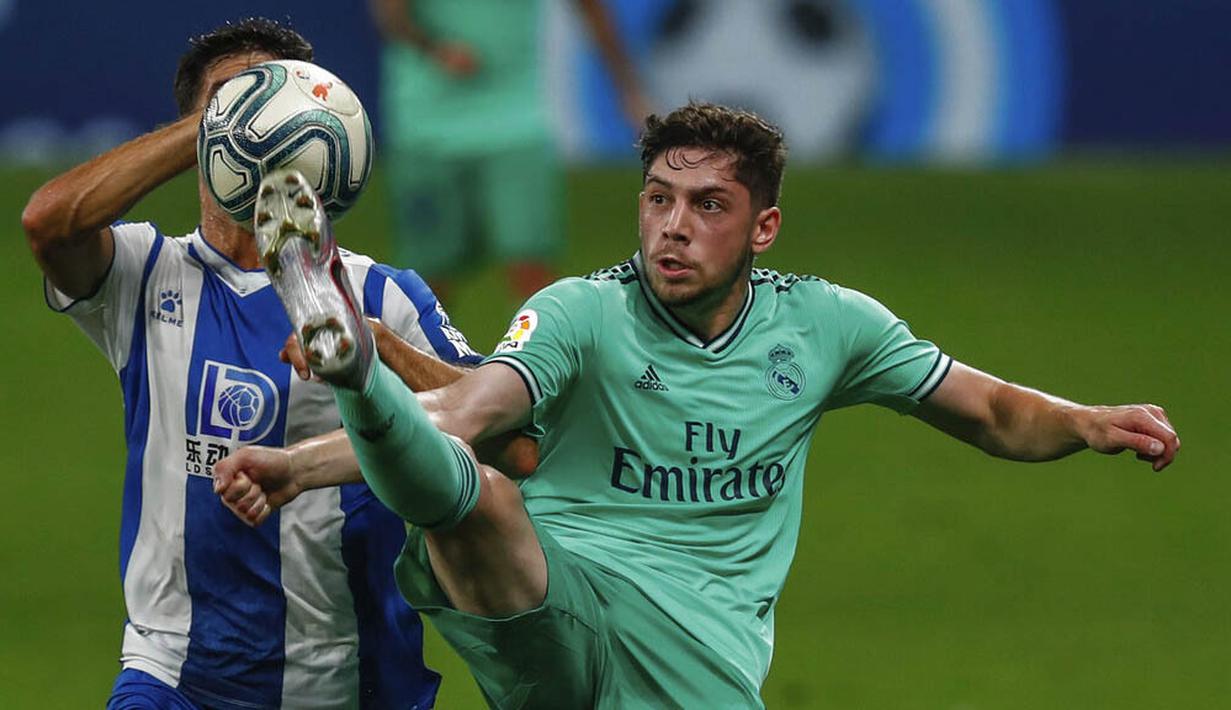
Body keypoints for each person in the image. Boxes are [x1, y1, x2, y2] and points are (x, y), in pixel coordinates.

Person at [216, 103, 1180, 708]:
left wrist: (1086, 420)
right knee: (479, 498)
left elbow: (993, 411)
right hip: (556, 601)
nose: (672, 228)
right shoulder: (580, 312)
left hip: (697, 654)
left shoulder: (826, 327)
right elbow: (467, 414)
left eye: (707, 206)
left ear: (762, 225)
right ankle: (358, 376)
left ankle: (361, 374)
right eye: (656, 200)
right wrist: (315, 452)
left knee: (473, 492)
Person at [21, 17, 488, 710]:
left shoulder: (379, 295)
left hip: (349, 677)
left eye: (281, 98)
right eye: (241, 101)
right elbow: (49, 223)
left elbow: (501, 422)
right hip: (172, 670)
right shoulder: (146, 271)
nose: (264, 117)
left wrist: (371, 349)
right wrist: (221, 120)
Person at [368, 0, 649, 301]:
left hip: (517, 124)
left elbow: (590, 8)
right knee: (426, 280)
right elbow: (390, 13)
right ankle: (426, 349)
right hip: (427, 126)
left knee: (532, 268)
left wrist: (628, 89)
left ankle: (539, 349)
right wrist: (434, 48)